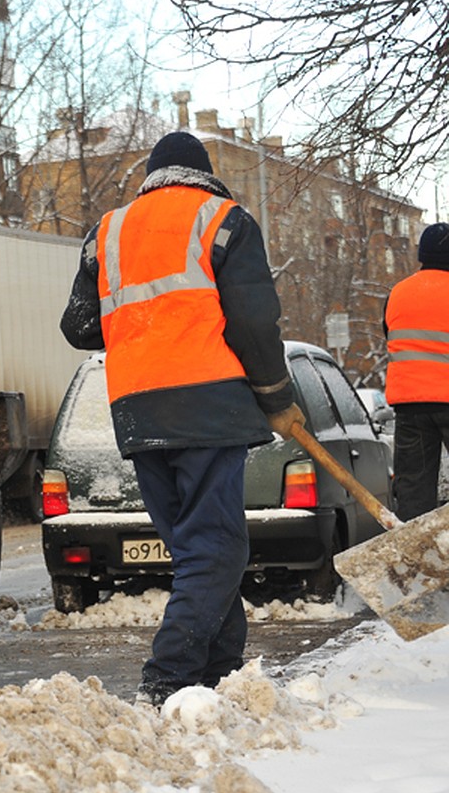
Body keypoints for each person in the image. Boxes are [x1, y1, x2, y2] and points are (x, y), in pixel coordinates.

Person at [59, 130, 305, 708]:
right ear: (204, 173)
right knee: (216, 550)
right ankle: (168, 678)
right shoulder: (224, 220)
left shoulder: (107, 232)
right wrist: (275, 395)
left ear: (152, 175)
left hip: (139, 409)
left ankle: (219, 676)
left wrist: (140, 323)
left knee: (201, 551)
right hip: (207, 401)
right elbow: (253, 321)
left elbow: (79, 326)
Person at [383, 222, 449, 521]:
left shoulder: (397, 293)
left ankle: (416, 561)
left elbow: (390, 336)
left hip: (410, 407)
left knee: (413, 491)